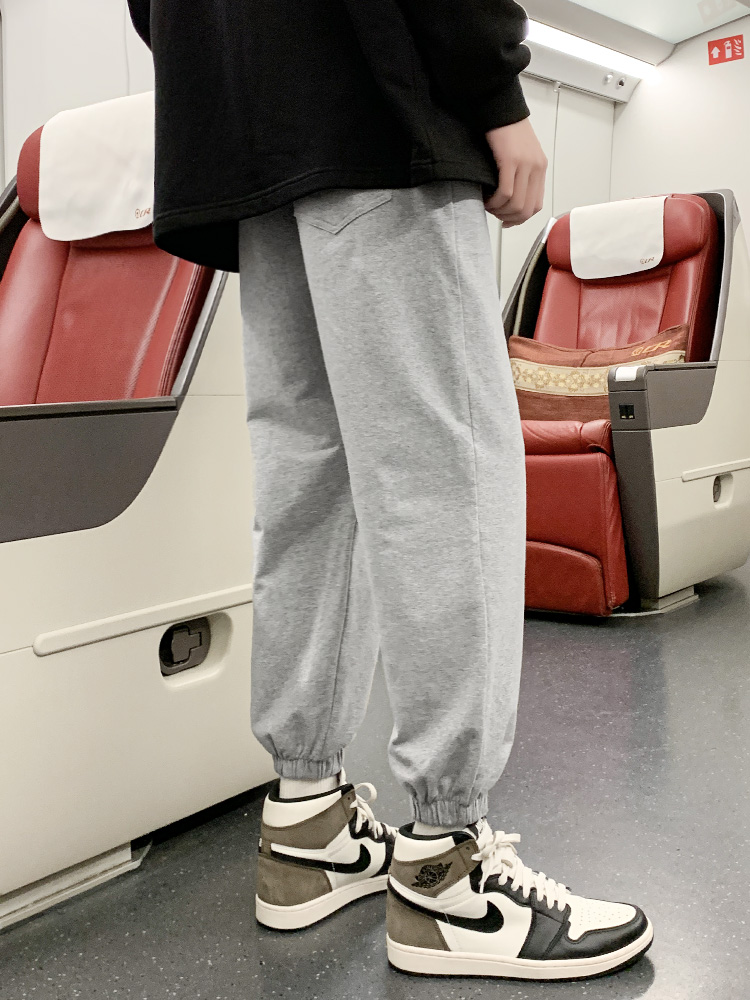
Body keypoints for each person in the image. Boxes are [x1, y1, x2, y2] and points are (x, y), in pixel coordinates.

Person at [128, 0, 653, 980]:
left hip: (239, 130)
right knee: (443, 471)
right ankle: (450, 869)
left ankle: (309, 824)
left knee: (307, 478)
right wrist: (492, 87)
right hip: (372, 103)